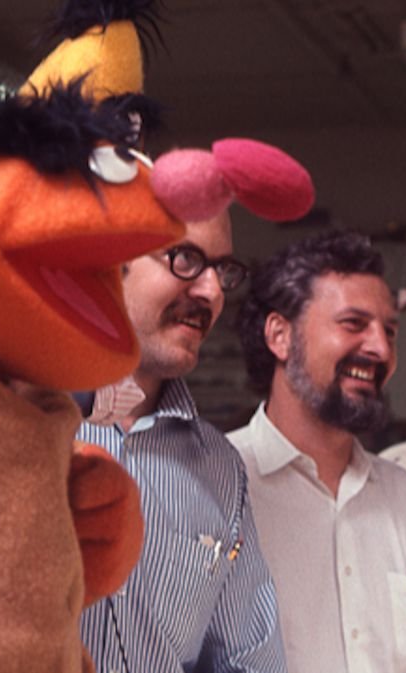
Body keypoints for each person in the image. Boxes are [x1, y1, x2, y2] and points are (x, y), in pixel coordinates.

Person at [227, 230, 406, 673]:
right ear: (280, 335)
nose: (381, 348)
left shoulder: (402, 496)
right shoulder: (220, 486)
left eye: (389, 330)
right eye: (353, 324)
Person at [77, 208, 288, 673]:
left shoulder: (218, 467)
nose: (211, 292)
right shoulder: (20, 424)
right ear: (112, 260)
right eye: (186, 259)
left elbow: (247, 661)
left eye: (223, 271)